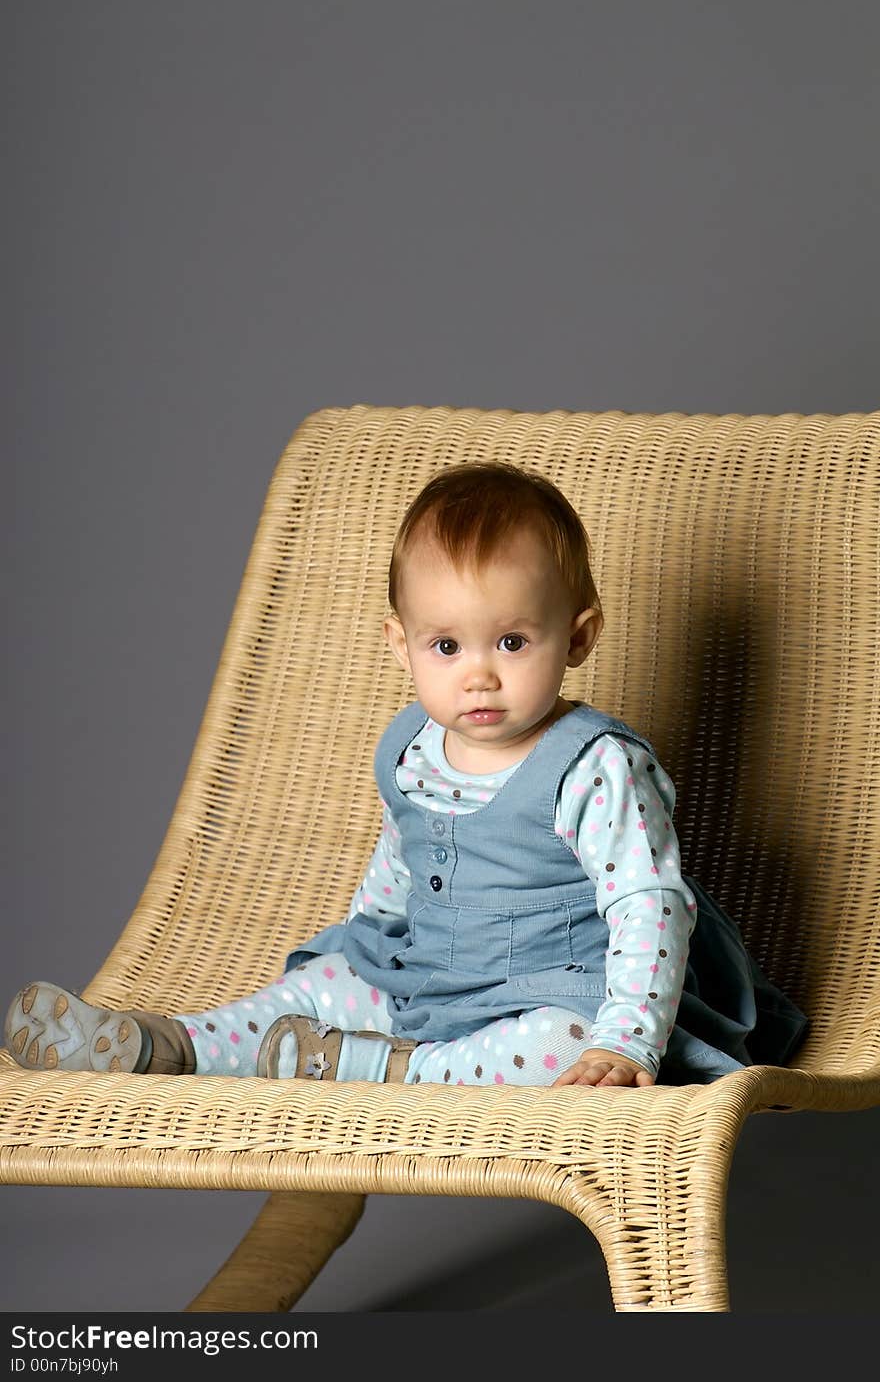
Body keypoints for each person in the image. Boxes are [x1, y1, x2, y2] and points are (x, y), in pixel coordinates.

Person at [5, 461, 808, 1090]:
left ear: (580, 635)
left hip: (555, 994)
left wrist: (621, 1037)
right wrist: (363, 952)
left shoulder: (594, 766)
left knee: (561, 1048)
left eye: (513, 642)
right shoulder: (411, 747)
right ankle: (168, 1042)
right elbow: (401, 858)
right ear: (402, 644)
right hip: (428, 980)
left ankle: (384, 1068)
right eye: (447, 647)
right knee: (319, 987)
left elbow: (649, 905)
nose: (479, 676)